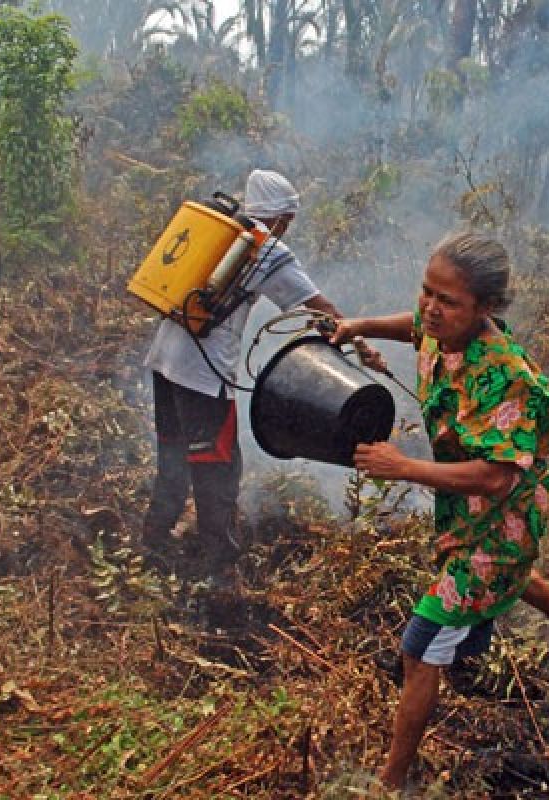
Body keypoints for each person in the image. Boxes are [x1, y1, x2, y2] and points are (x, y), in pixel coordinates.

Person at [329, 231, 549, 790]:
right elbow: (416, 327)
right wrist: (359, 326)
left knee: (421, 646)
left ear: (487, 308)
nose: (431, 308)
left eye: (447, 301)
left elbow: (497, 476)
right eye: (428, 291)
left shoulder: (505, 377)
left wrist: (403, 467)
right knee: (510, 575)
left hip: (500, 512)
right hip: (467, 507)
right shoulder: (441, 327)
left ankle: (391, 779)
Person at [141, 169, 377, 584]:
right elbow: (319, 307)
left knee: (174, 453)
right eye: (289, 220)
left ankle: (153, 543)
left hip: (163, 360)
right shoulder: (269, 251)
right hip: (202, 376)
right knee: (218, 466)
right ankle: (219, 568)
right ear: (282, 217)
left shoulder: (219, 232)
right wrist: (362, 347)